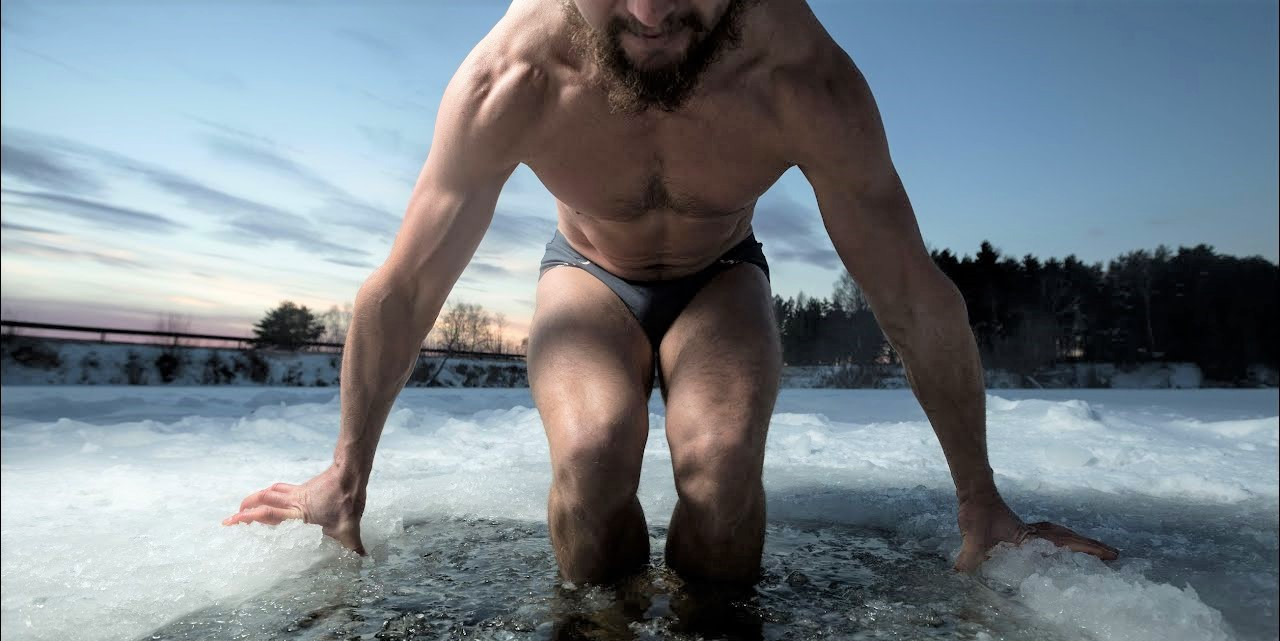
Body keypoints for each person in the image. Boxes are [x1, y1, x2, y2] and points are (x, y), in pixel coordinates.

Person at [224, 0, 1118, 589]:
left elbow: (914, 295)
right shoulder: (515, 77)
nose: (651, 15)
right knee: (591, 457)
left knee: (721, 468)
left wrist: (981, 503)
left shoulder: (800, 79)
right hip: (586, 276)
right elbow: (408, 284)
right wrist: (346, 474)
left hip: (721, 277)